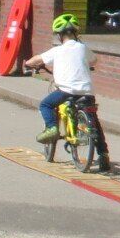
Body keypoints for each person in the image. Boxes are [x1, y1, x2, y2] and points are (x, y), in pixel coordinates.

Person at [26, 13, 94, 144]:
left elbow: (37, 59)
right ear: (75, 33)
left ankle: (52, 128)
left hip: (66, 91)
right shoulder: (83, 47)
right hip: (87, 91)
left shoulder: (57, 50)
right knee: (92, 117)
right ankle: (102, 152)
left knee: (45, 105)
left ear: (59, 35)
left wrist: (28, 63)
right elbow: (94, 61)